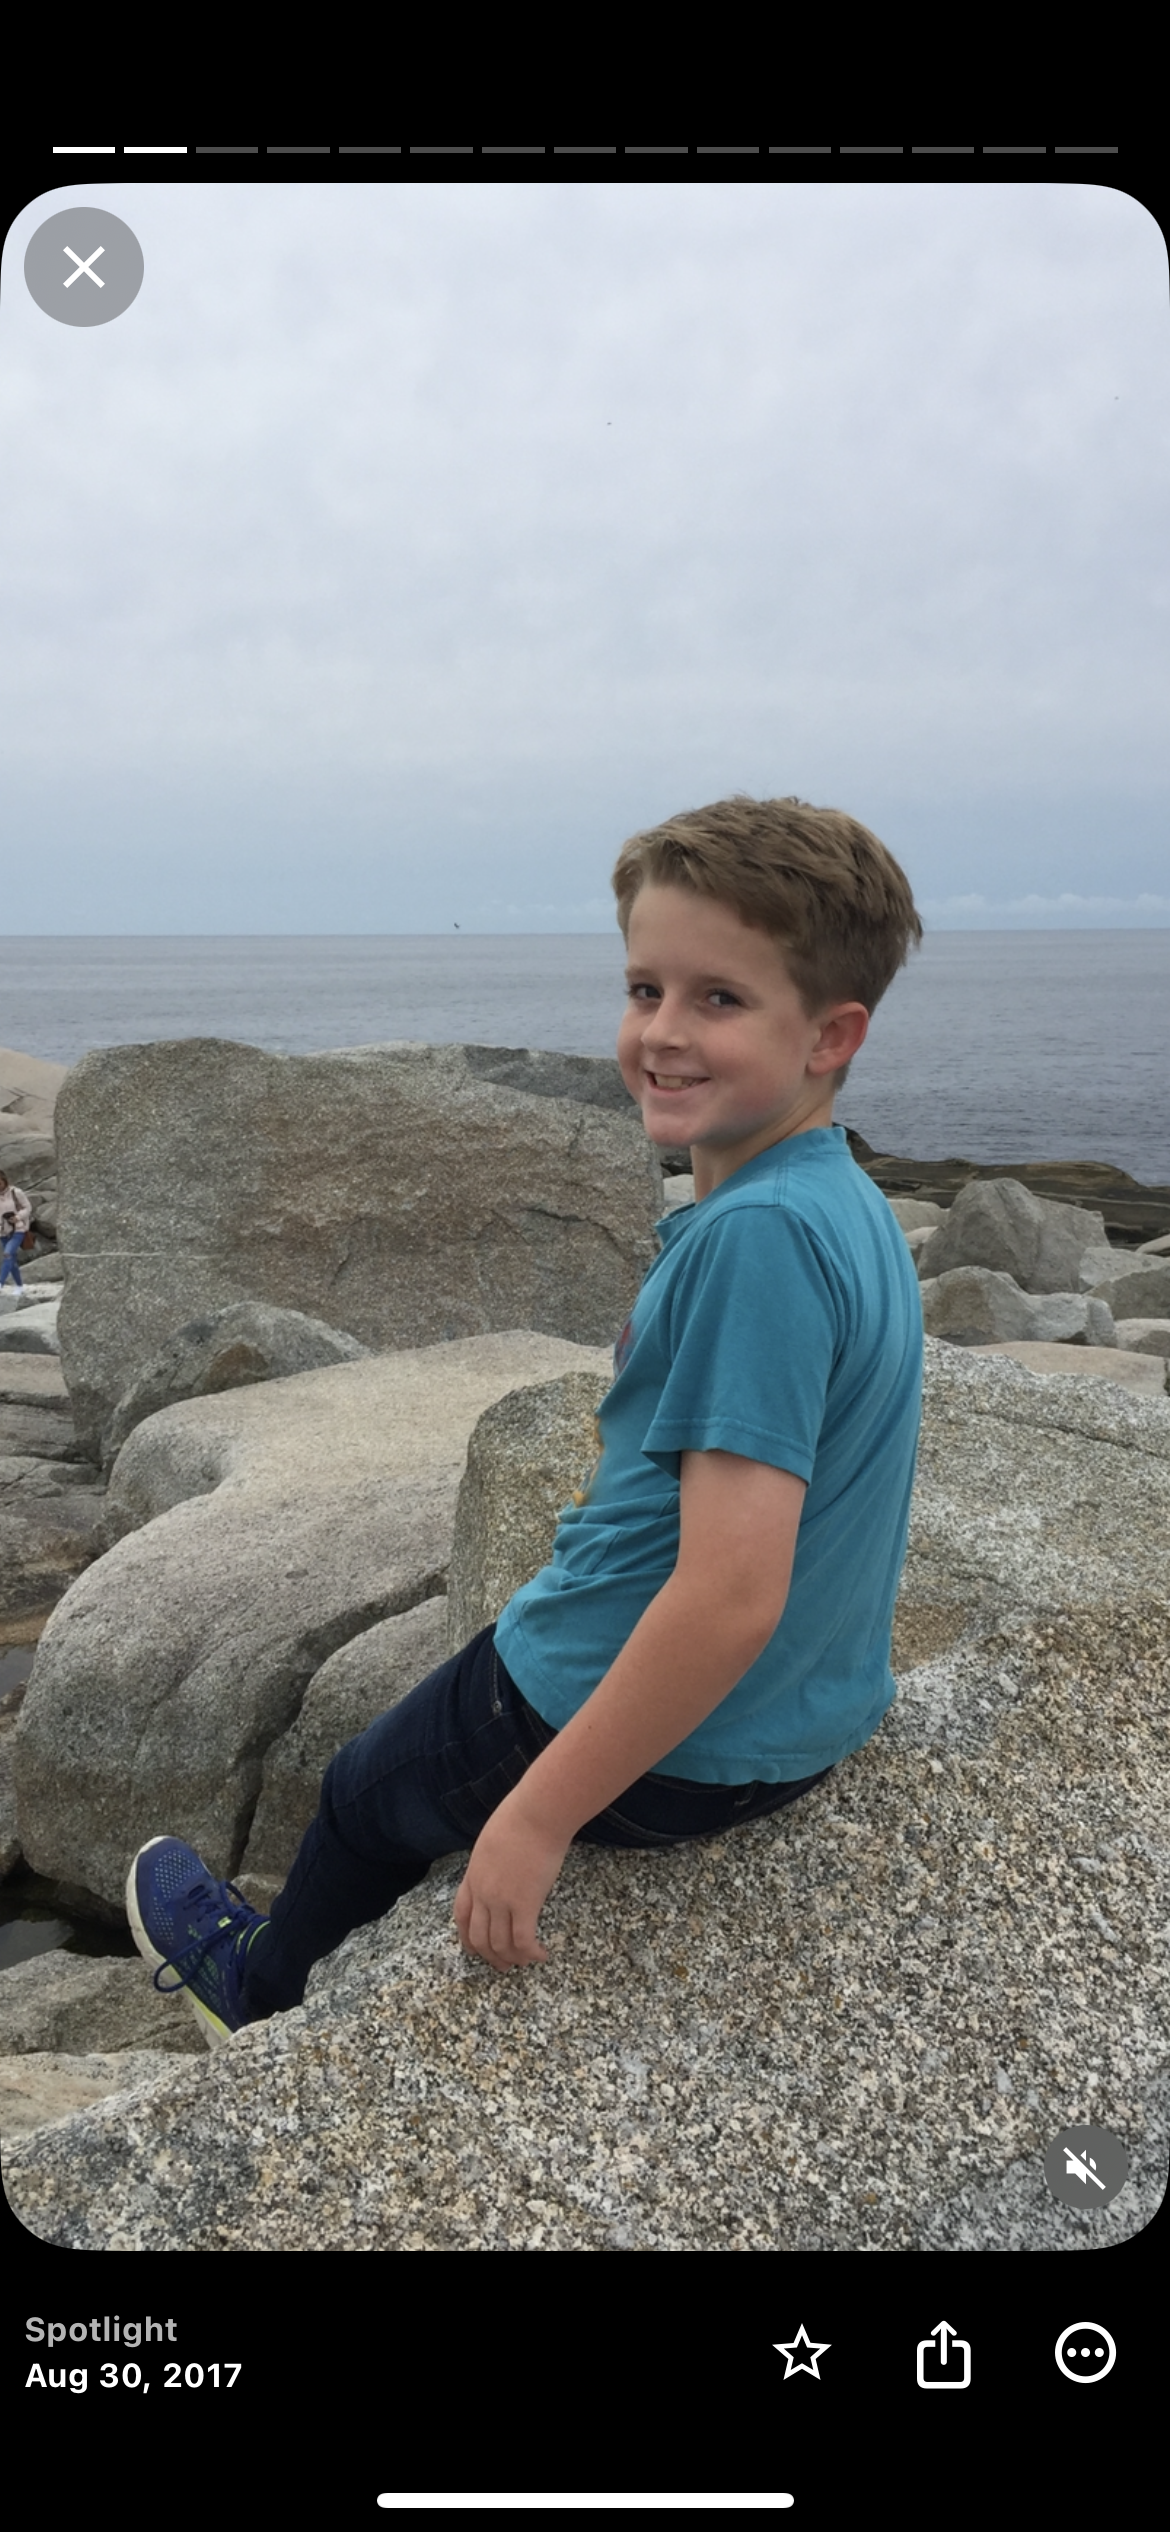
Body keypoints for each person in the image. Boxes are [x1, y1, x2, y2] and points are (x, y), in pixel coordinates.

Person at [127, 794, 925, 2045]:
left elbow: (728, 1594)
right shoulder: (837, 1202)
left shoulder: (755, 1243)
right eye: (644, 987)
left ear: (832, 1035)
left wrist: (540, 1815)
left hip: (653, 1734)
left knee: (357, 1794)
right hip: (805, 1722)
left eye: (718, 999)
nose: (661, 1033)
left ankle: (261, 1989)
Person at [0, 1171, 33, 1300]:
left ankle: (1, 1283)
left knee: (8, 1253)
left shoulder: (16, 1192)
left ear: (4, 1181)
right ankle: (19, 1286)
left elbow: (27, 1207)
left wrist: (18, 1217)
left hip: (18, 1229)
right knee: (11, 1260)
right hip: (2, 1232)